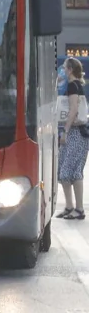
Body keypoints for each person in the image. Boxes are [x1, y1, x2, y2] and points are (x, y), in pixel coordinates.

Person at [58, 56, 88, 219]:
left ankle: (79, 209)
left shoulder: (72, 86)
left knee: (72, 171)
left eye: (64, 67)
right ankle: (70, 207)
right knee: (63, 170)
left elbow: (73, 109)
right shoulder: (74, 85)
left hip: (76, 133)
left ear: (69, 70)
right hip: (77, 133)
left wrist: (65, 131)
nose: (62, 70)